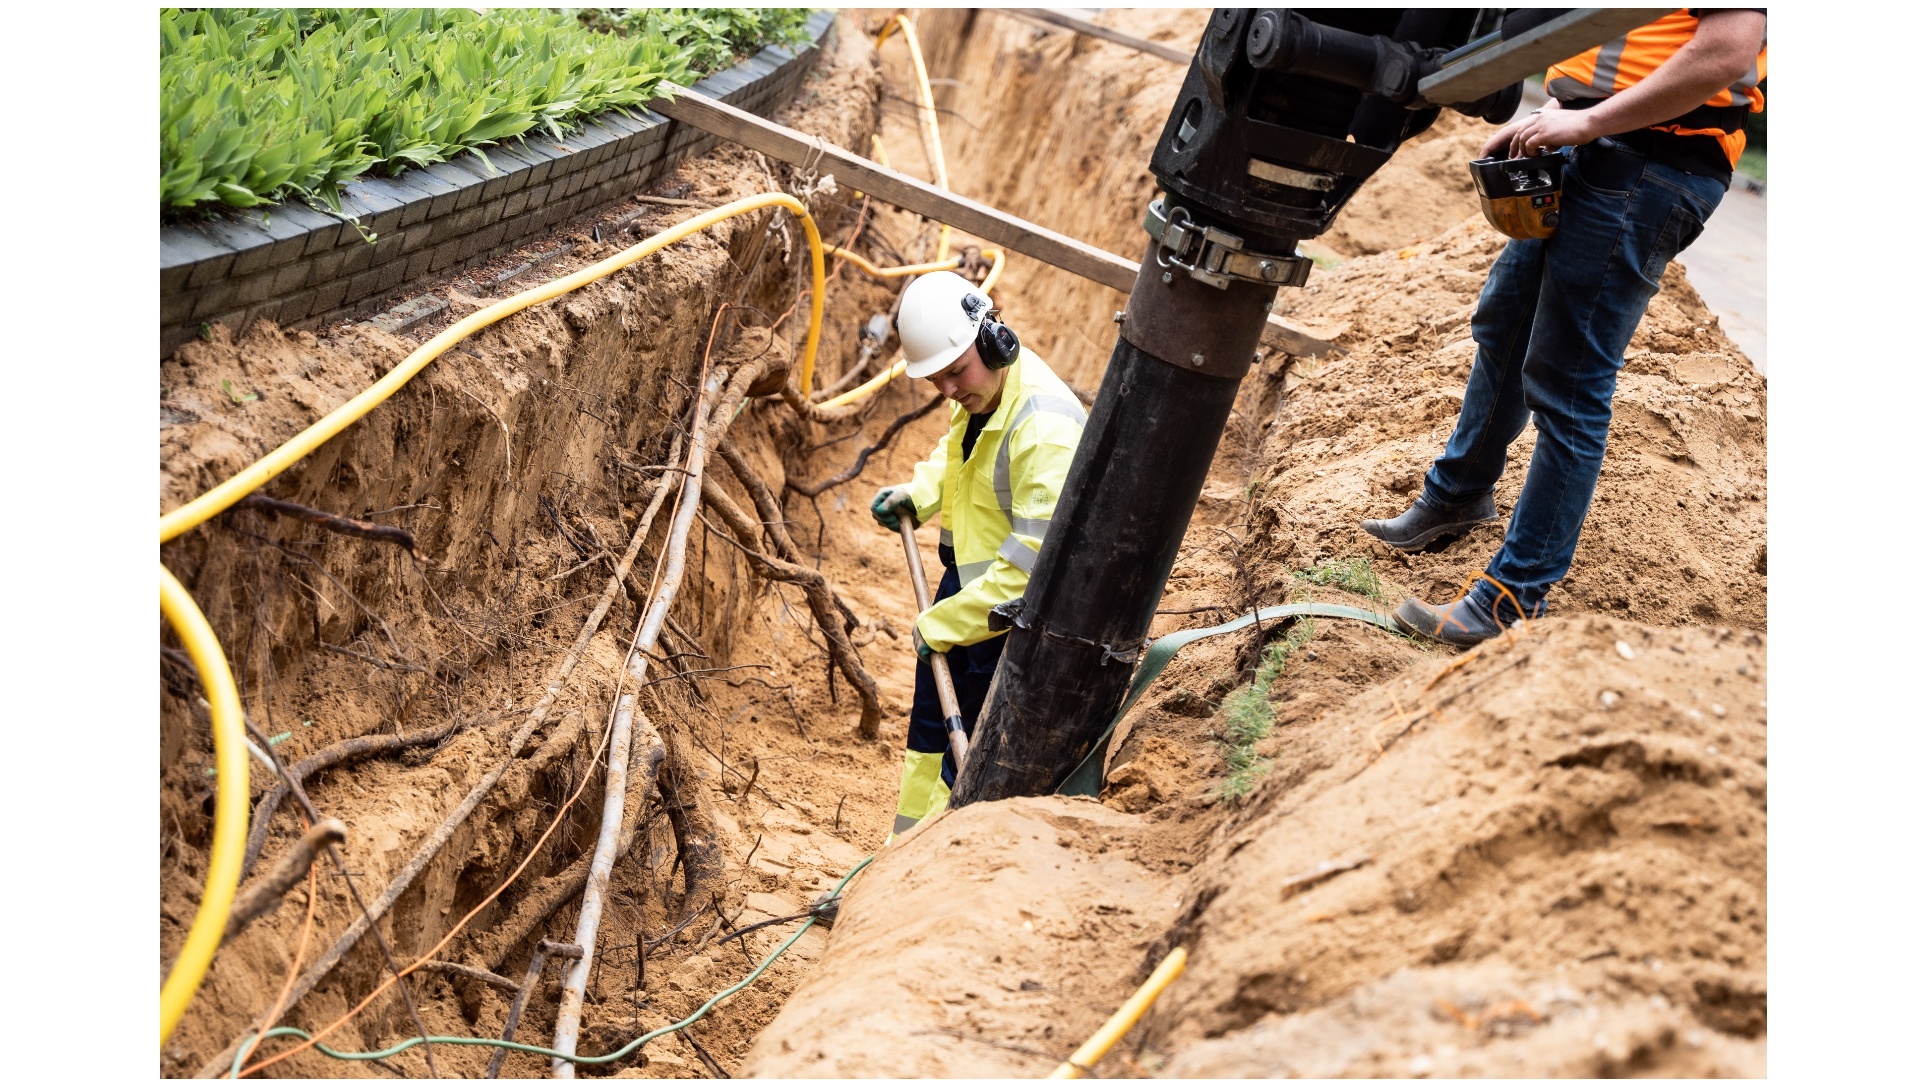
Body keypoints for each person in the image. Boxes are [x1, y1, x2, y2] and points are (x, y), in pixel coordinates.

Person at [1363, 9, 1768, 646]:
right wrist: (1557, 113)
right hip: (1593, 146)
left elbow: (1724, 53)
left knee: (1569, 385)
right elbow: (1621, 46)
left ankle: (1510, 600)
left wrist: (1586, 121)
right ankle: (1457, 495)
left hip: (1652, 162)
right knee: (1505, 323)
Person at [870, 270, 1086, 836]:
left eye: (955, 372)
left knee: (963, 749)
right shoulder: (983, 389)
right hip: (967, 592)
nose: (947, 390)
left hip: (1007, 621)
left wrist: (947, 623)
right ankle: (900, 846)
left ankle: (933, 854)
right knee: (929, 732)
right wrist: (918, 493)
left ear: (994, 340)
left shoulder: (1044, 431)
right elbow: (960, 452)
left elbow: (1032, 572)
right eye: (935, 379)